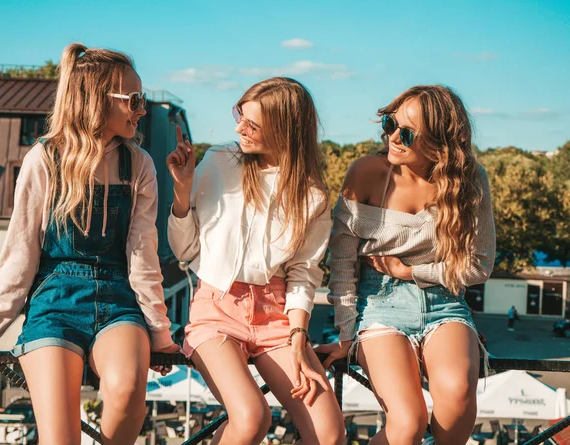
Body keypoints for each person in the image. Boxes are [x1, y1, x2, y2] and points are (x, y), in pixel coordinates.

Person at [0, 43, 179, 445]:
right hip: (54, 300)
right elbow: (20, 256)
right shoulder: (43, 160)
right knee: (60, 439)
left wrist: (159, 332)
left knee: (128, 392)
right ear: (98, 100)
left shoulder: (138, 165)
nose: (141, 109)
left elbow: (142, 255)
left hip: (119, 299)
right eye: (134, 99)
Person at [167, 77, 345, 445]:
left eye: (251, 124)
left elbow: (303, 274)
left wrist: (298, 338)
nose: (238, 128)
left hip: (277, 316)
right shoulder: (220, 160)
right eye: (239, 115)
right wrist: (182, 193)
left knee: (329, 435)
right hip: (217, 309)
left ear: (285, 129)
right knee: (251, 418)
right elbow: (184, 251)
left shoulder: (311, 194)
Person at [316, 85, 496, 445]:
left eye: (408, 133)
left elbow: (479, 266)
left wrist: (410, 271)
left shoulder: (469, 178)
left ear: (440, 142)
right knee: (408, 424)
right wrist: (346, 333)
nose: (394, 137)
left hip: (445, 301)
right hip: (377, 304)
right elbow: (342, 262)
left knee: (459, 398)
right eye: (390, 123)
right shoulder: (365, 171)